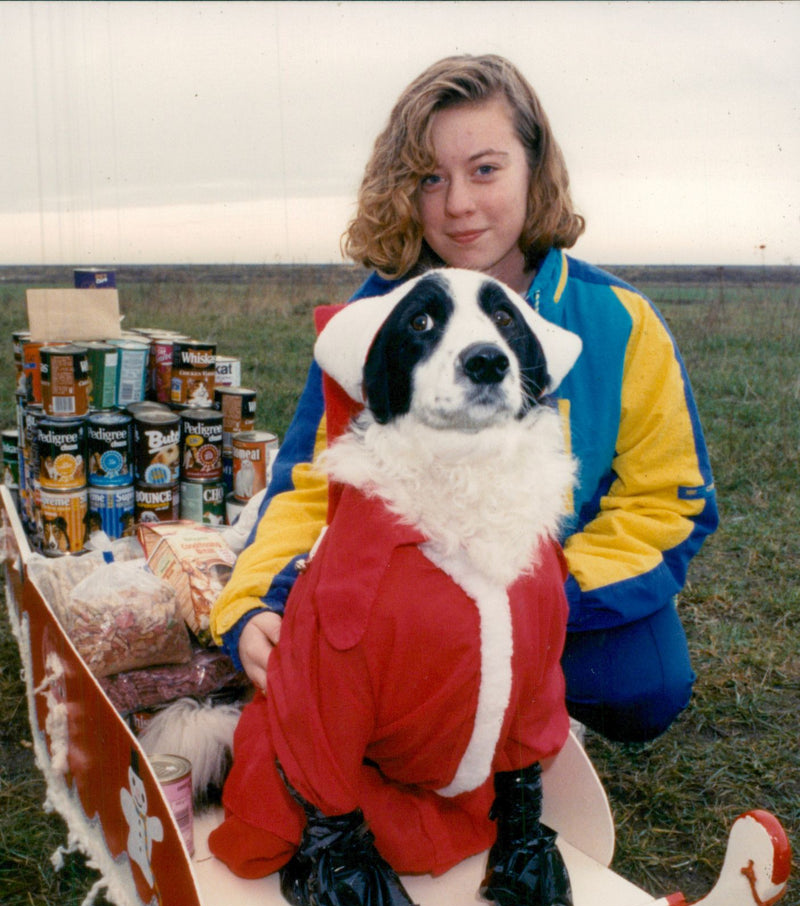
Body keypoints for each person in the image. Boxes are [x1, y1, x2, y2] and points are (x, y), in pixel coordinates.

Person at [210, 53, 718, 744]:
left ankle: (528, 711)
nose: (458, 204)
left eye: (485, 169)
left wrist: (543, 592)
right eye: (430, 178)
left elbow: (670, 500)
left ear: (534, 169)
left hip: (559, 589)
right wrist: (253, 605)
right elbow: (308, 484)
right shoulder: (378, 319)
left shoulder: (620, 322)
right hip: (409, 595)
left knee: (644, 685)